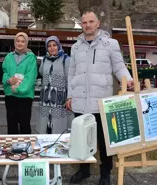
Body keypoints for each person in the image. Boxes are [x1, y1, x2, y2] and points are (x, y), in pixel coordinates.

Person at [65, 11, 133, 185]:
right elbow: (71, 73)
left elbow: (119, 67)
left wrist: (128, 80)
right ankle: (84, 170)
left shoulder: (110, 44)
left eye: (91, 22)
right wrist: (69, 96)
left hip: (102, 102)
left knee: (105, 142)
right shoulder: (76, 47)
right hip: (80, 101)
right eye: (84, 22)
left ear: (98, 23)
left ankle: (105, 174)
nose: (87, 25)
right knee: (82, 139)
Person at [2, 32, 37, 134]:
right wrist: (8, 81)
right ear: (14, 42)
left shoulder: (31, 58)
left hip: (25, 97)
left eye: (23, 41)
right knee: (11, 124)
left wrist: (19, 89)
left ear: (26, 43)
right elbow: (4, 72)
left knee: (24, 125)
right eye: (17, 41)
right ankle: (12, 148)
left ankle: (25, 148)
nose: (20, 43)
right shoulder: (8, 57)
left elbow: (30, 76)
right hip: (10, 96)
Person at [38, 36, 73, 134]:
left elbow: (70, 79)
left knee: (59, 127)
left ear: (58, 46)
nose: (52, 48)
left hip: (59, 99)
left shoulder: (66, 59)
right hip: (45, 99)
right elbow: (41, 73)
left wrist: (70, 97)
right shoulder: (44, 59)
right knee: (45, 127)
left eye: (54, 45)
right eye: (49, 46)